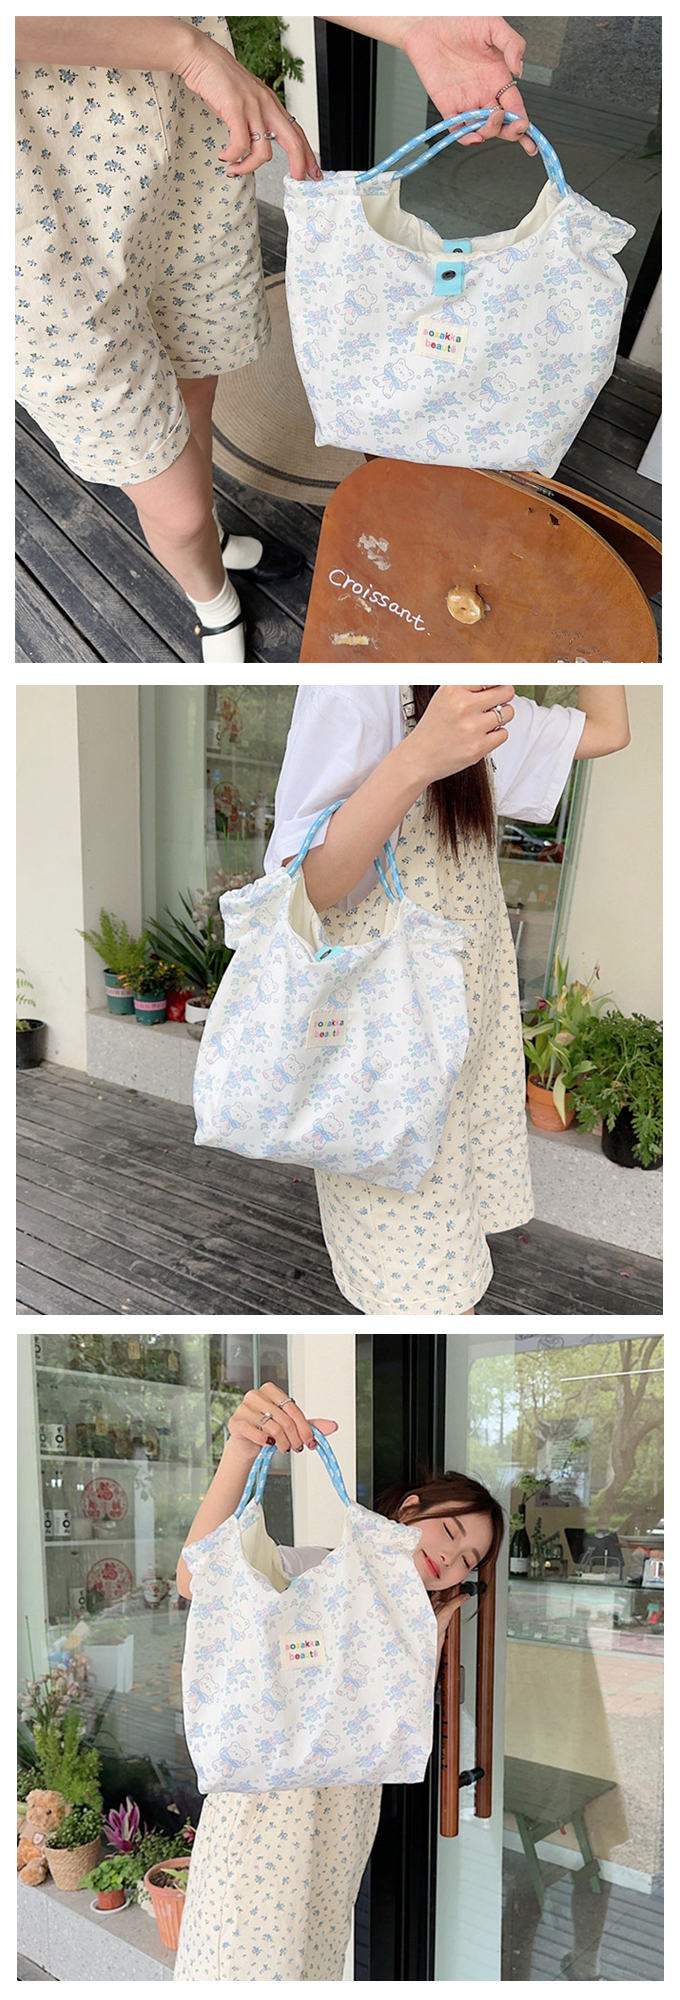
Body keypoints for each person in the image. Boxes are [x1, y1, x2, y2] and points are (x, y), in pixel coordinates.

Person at [15, 15, 533, 664]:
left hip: (184, 140)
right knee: (170, 499)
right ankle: (213, 602)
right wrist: (188, 52)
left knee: (195, 393)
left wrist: (413, 24)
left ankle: (209, 537)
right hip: (41, 201)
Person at [264, 684, 631, 1316]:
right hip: (390, 1060)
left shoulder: (477, 695)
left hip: (467, 1048)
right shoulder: (358, 685)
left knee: (440, 1278)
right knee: (427, 1292)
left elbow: (608, 729)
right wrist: (420, 755)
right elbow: (303, 889)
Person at [174, 1381, 502, 1981]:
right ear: (410, 1510)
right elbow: (199, 1579)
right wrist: (240, 1453)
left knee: (312, 1969)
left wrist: (425, 1650)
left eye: (468, 1561)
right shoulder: (323, 1572)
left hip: (341, 1830)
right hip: (265, 1820)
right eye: (452, 1533)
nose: (452, 1560)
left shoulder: (418, 1627)